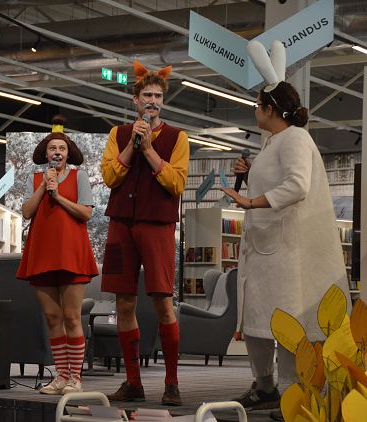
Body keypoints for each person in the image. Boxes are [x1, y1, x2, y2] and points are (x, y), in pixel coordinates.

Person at [221, 48, 350, 410]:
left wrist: (250, 202)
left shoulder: (295, 138)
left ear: (270, 109)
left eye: (257, 105)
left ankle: (295, 393)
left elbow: (297, 185)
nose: (254, 110)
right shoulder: (273, 141)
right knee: (257, 321)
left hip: (285, 252)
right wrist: (251, 174)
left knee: (288, 323)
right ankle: (265, 386)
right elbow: (280, 183)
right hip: (266, 249)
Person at [100, 62, 189, 405]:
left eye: (158, 96)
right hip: (120, 224)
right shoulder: (118, 134)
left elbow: (176, 183)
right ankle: (133, 382)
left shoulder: (177, 137)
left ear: (162, 101)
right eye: (147, 95)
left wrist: (149, 149)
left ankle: (172, 383)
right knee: (123, 303)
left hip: (157, 225)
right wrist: (132, 145)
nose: (152, 101)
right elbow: (110, 177)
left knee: (163, 301)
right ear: (135, 100)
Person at [16, 116, 98, 395]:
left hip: (71, 252)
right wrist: (44, 186)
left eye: (62, 148)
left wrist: (59, 196)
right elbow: (27, 212)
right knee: (52, 317)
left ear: (68, 153)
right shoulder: (35, 179)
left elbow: (86, 213)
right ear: (46, 154)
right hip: (42, 253)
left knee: (72, 317)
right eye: (52, 148)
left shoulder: (79, 177)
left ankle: (75, 377)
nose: (57, 152)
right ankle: (61, 376)